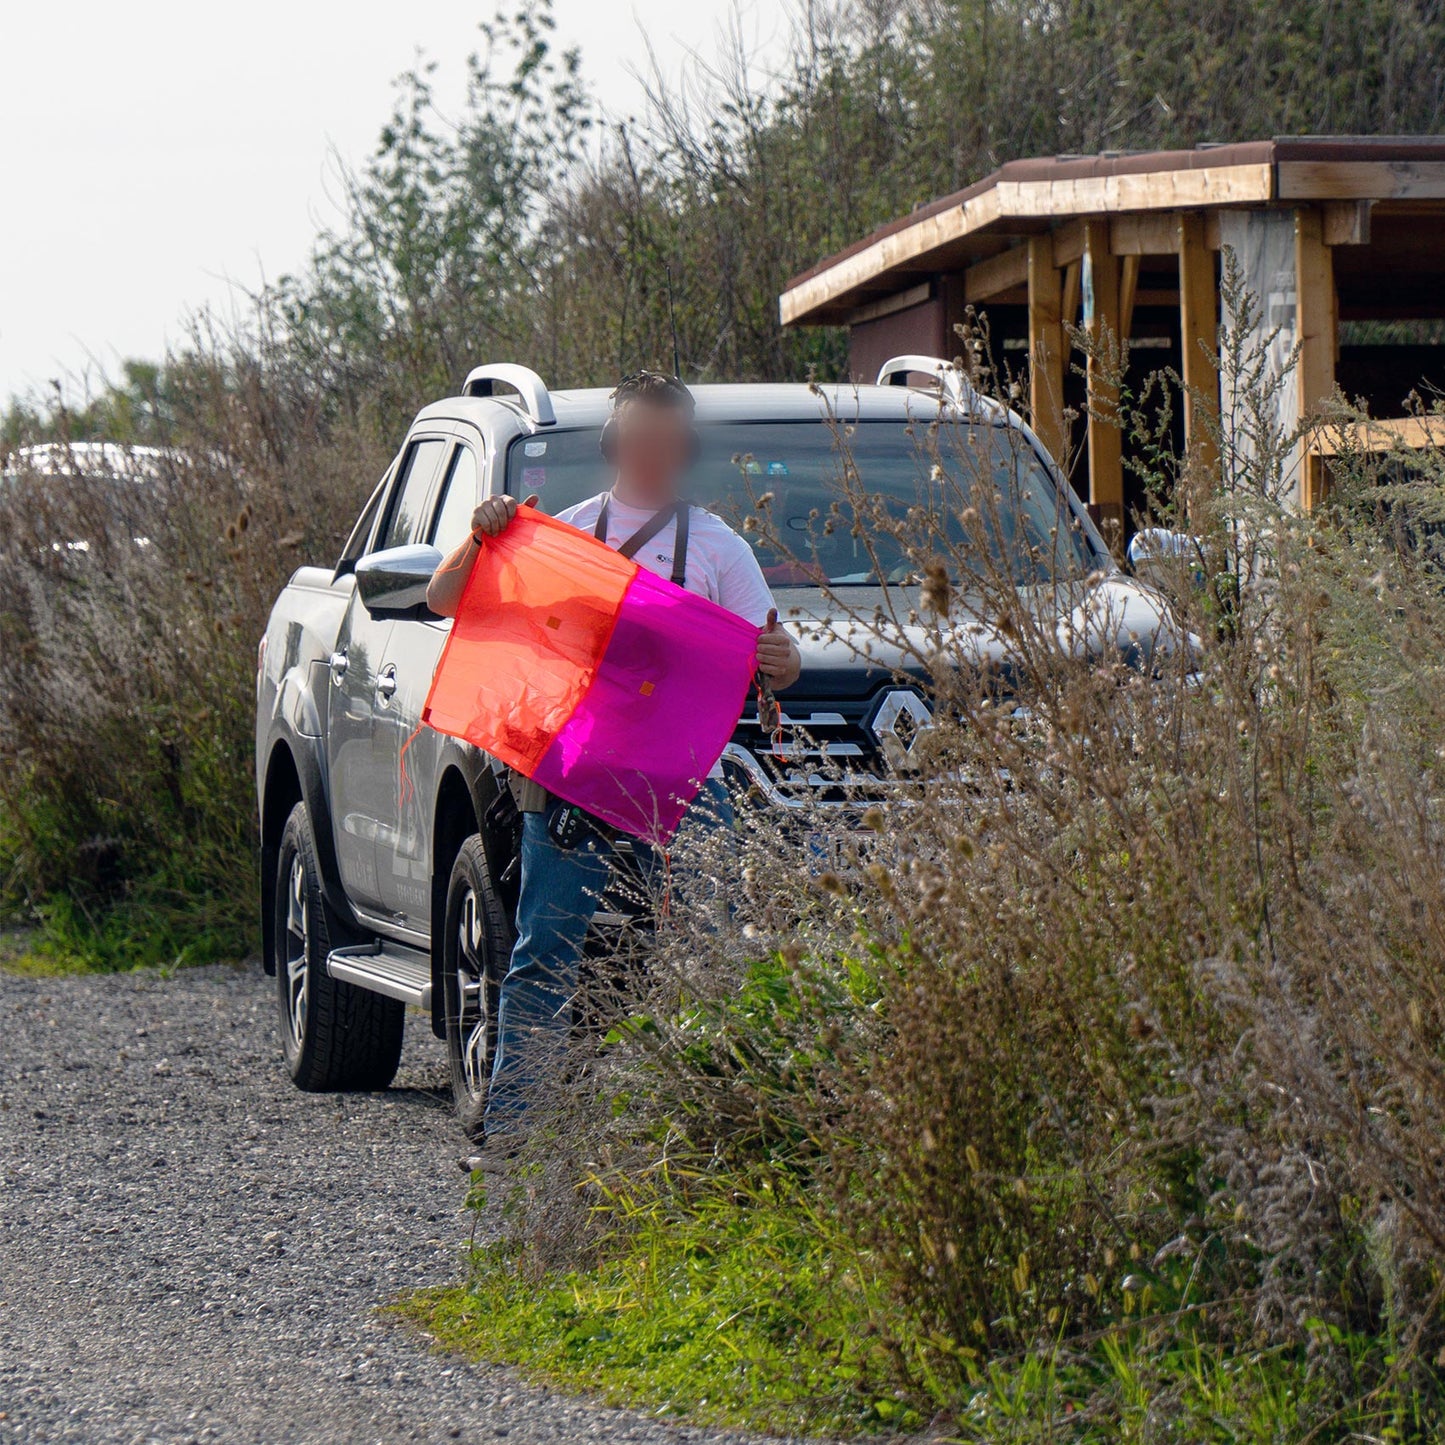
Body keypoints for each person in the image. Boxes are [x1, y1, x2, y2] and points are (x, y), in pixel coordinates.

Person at [426, 371, 801, 1151]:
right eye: (639, 438)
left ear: (685, 447)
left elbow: (781, 663)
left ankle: (707, 1136)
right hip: (573, 781)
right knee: (543, 957)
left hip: (682, 784)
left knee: (708, 949)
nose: (652, 453)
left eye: (668, 441)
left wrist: (773, 654)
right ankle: (517, 1142)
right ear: (613, 443)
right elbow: (443, 597)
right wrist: (483, 533)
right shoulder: (559, 535)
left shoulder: (720, 546)